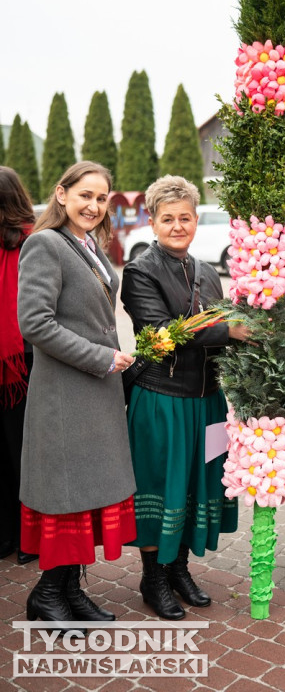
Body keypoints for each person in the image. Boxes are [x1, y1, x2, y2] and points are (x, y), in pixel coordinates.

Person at [121, 175, 249, 620]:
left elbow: (226, 327)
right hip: (162, 397)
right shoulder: (140, 271)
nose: (178, 225)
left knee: (197, 484)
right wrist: (228, 331)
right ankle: (152, 578)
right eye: (168, 218)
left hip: (208, 401)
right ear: (152, 222)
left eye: (186, 217)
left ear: (196, 220)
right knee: (161, 486)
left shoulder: (208, 271)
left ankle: (179, 570)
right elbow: (159, 334)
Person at [17, 160, 136, 628]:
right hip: (66, 396)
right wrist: (102, 357)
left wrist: (113, 354)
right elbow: (36, 324)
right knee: (66, 497)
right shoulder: (44, 244)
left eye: (101, 197)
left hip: (93, 394)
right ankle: (47, 597)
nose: (92, 205)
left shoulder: (89, 245)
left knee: (82, 498)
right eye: (84, 194)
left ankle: (69, 590)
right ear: (61, 194)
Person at [0, 167, 38, 565]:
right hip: (4, 364)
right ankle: (5, 533)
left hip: (23, 366)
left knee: (22, 453)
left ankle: (30, 537)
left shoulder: (32, 242)